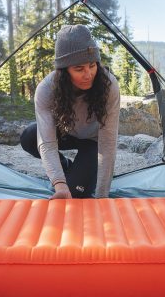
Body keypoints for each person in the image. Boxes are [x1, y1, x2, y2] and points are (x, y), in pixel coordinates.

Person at [20, 25, 120, 199]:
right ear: (64, 71)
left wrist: (102, 196)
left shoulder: (108, 86)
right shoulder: (46, 89)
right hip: (65, 132)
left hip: (93, 142)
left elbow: (108, 143)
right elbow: (47, 142)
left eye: (92, 65)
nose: (88, 74)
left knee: (76, 194)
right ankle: (65, 165)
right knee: (29, 136)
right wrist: (59, 183)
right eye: (79, 69)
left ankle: (80, 174)